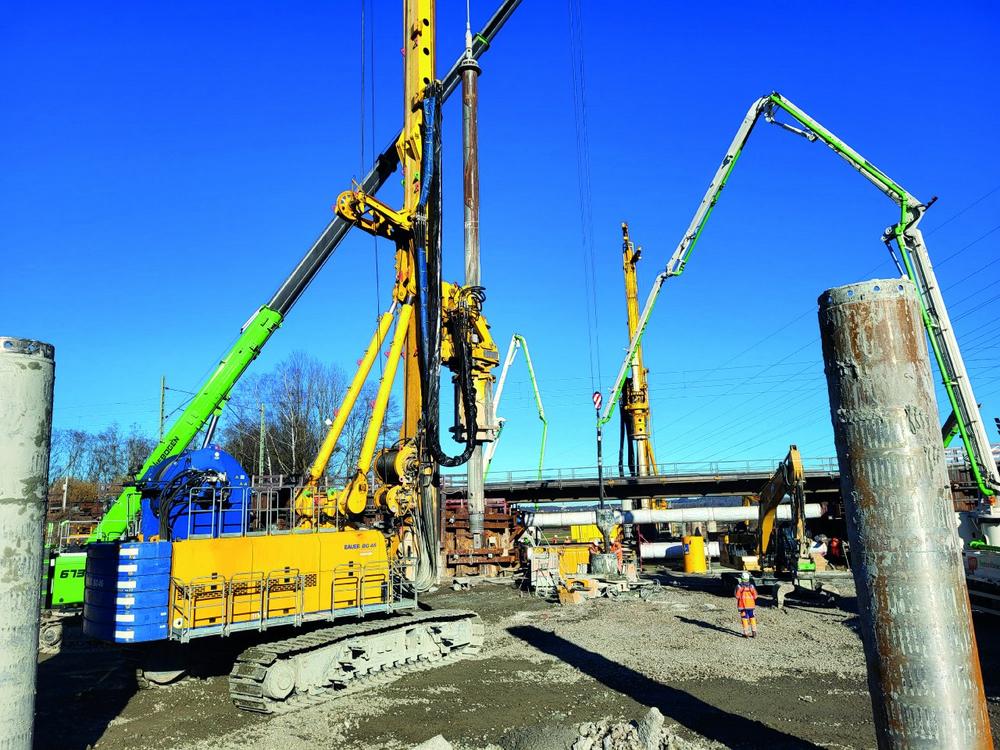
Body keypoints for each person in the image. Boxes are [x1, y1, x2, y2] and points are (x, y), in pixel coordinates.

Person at [735, 571, 758, 638]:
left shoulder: (739, 586)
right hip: (751, 606)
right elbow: (755, 596)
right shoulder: (751, 586)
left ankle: (746, 633)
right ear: (748, 579)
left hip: (743, 606)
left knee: (744, 618)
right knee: (752, 617)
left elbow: (737, 596)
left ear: (741, 579)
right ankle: (754, 632)